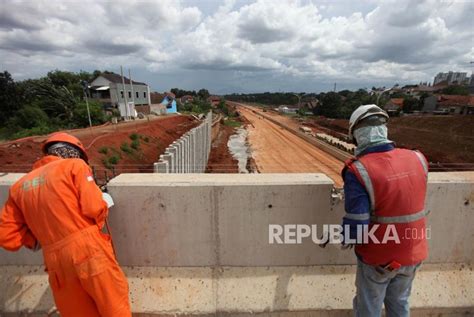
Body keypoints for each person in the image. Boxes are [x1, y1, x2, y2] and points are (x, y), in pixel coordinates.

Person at [0, 132, 131, 317]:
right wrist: (104, 202)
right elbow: (93, 208)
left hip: (55, 263)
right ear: (74, 152)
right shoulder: (74, 166)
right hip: (88, 251)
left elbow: (7, 237)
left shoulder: (19, 187)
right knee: (113, 307)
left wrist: (39, 239)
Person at [341, 105, 429, 317]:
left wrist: (344, 237)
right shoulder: (418, 158)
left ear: (355, 135)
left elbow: (357, 226)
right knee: (399, 302)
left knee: (369, 306)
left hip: (379, 257)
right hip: (414, 251)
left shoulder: (358, 170)